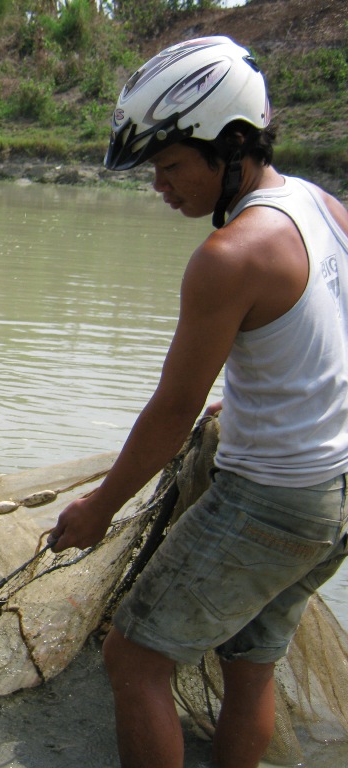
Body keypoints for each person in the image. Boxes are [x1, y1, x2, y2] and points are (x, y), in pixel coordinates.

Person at [49, 36, 348, 767]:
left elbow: (171, 410)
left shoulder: (229, 256)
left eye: (172, 165)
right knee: (251, 661)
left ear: (233, 145)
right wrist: (249, 408)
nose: (160, 185)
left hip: (271, 499)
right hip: (335, 496)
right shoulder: (321, 204)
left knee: (134, 658)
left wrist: (101, 506)